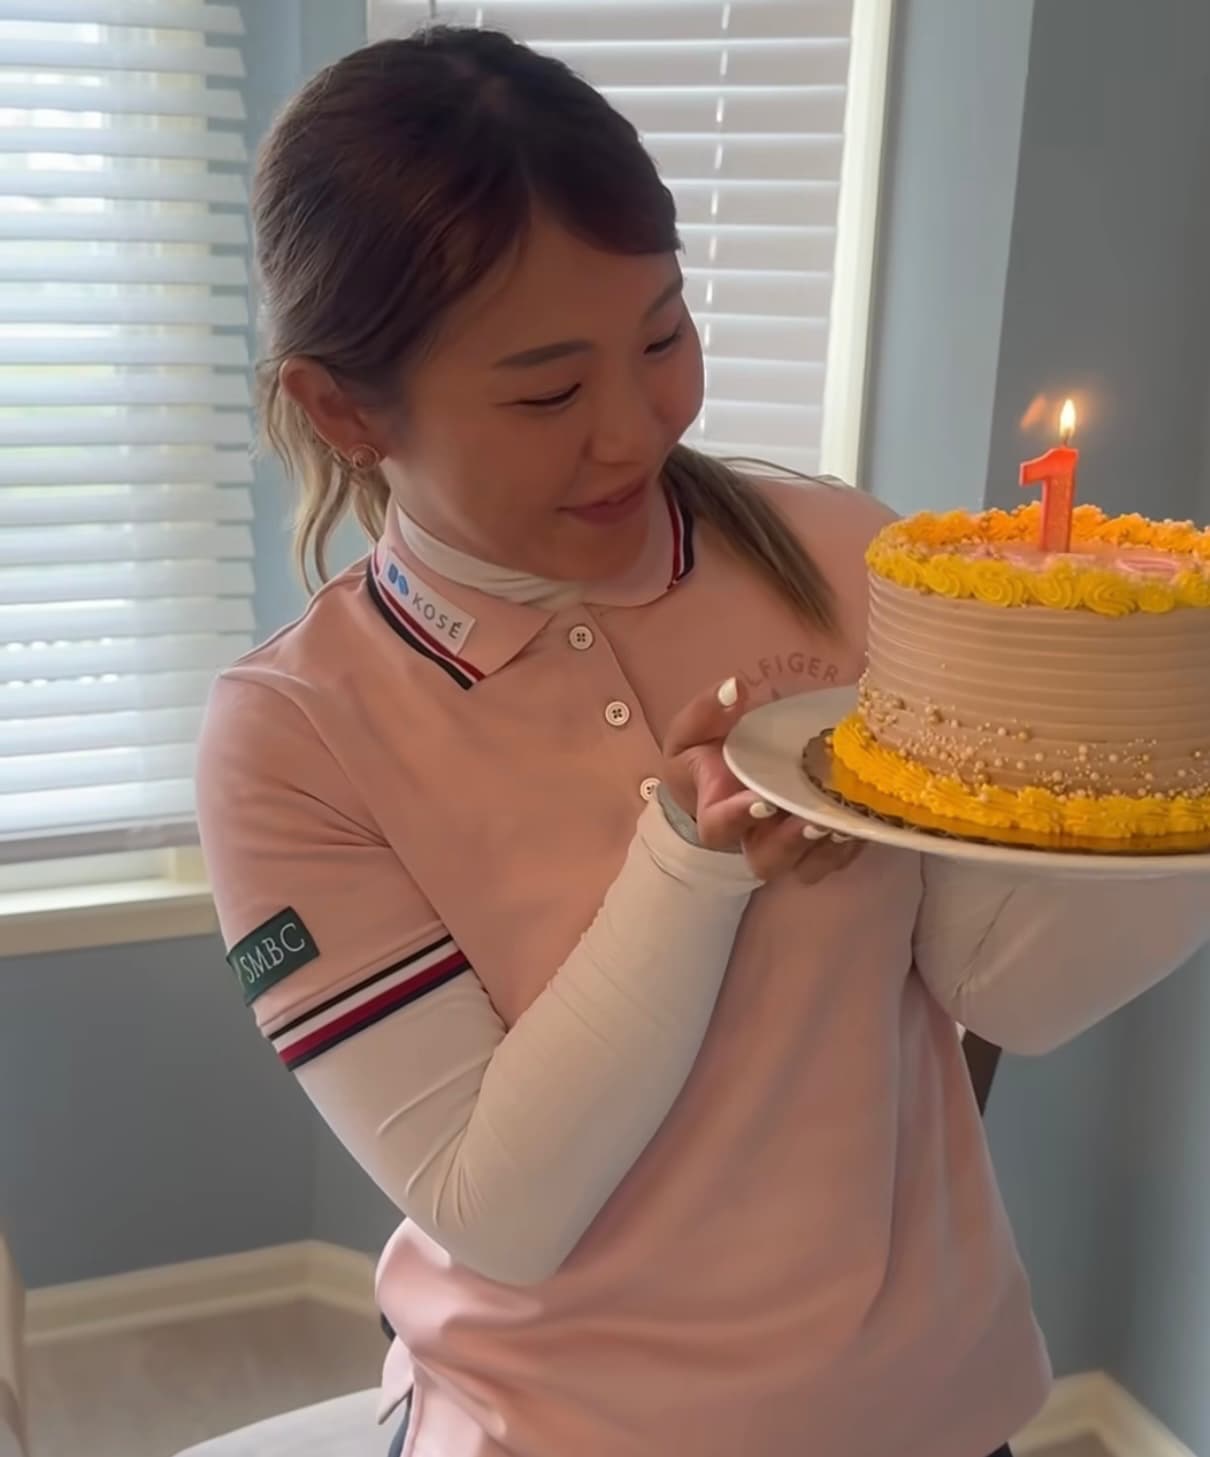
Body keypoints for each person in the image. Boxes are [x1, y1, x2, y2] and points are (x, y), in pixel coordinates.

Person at [195, 28, 1210, 1457]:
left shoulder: (846, 559)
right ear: (342, 406)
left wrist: (1167, 777)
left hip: (929, 1410)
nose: (638, 428)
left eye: (663, 336)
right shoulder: (293, 739)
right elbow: (501, 1208)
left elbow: (1008, 987)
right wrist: (689, 865)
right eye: (547, 392)